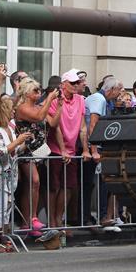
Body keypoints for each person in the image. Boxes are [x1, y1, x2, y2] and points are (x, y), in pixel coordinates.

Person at [14, 77, 61, 234]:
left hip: (39, 151)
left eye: (40, 90)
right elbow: (39, 117)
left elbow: (53, 123)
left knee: (32, 186)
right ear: (27, 93)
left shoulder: (39, 106)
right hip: (26, 150)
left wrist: (59, 105)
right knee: (34, 181)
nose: (39, 93)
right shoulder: (21, 108)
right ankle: (32, 218)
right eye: (35, 90)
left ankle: (28, 222)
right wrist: (49, 99)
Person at [46, 70, 89, 230]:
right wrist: (62, 150)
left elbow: (83, 127)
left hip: (71, 148)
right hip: (55, 149)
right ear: (63, 84)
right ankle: (52, 220)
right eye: (72, 83)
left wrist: (85, 149)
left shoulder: (80, 99)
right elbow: (55, 126)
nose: (76, 85)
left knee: (69, 186)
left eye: (77, 82)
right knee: (54, 186)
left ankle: (59, 217)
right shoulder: (55, 99)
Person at [0, 96, 30, 252]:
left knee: (8, 206)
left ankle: (4, 238)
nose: (14, 110)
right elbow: (1, 151)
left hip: (11, 173)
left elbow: (15, 150)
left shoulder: (10, 129)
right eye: (11, 108)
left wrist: (24, 143)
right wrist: (17, 142)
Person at [84, 76, 124, 231]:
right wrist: (93, 149)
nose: (120, 93)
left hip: (100, 146)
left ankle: (106, 216)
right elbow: (92, 124)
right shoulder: (99, 99)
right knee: (98, 183)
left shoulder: (106, 101)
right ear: (111, 89)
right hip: (95, 146)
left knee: (104, 182)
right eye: (118, 90)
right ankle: (101, 217)